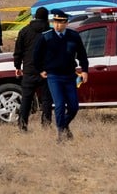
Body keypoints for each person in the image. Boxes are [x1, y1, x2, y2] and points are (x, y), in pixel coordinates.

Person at [33, 9, 89, 142]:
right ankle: (61, 133)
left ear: (66, 23)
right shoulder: (46, 37)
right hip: (54, 76)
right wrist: (40, 70)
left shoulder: (74, 36)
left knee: (74, 106)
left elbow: (82, 55)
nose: (57, 25)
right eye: (55, 22)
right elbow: (36, 55)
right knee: (59, 104)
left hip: (70, 76)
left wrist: (85, 70)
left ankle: (64, 125)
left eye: (60, 22)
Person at [13, 6, 53, 132]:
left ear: (35, 17)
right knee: (47, 99)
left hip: (29, 70)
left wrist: (17, 67)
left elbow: (18, 51)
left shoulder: (24, 31)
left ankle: (22, 125)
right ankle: (46, 124)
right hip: (46, 71)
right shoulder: (50, 33)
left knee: (26, 99)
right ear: (46, 18)